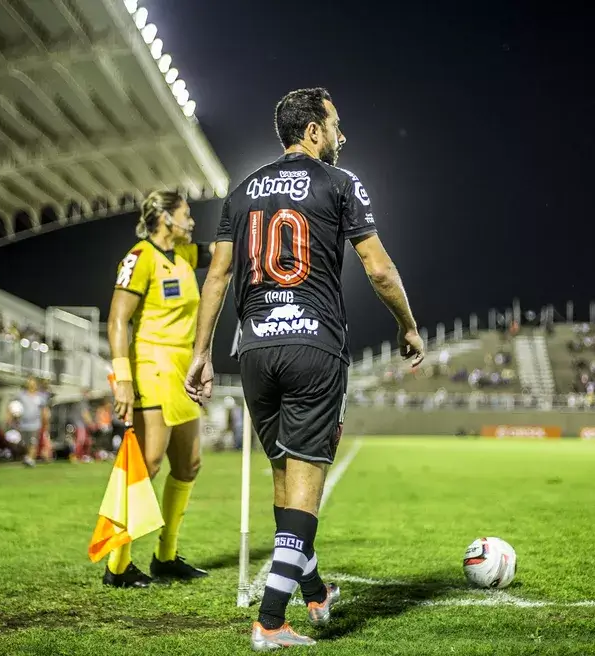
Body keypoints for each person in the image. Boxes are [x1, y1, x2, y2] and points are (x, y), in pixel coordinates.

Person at [185, 87, 424, 650]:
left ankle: (313, 593)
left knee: (282, 478)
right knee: (307, 486)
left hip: (254, 350)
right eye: (336, 125)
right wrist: (408, 326)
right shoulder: (340, 183)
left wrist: (201, 352)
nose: (342, 136)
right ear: (313, 131)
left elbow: (217, 277)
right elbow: (380, 270)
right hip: (313, 348)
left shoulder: (242, 190)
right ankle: (271, 621)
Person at [105, 190, 215, 588]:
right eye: (186, 215)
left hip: (182, 370)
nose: (192, 222)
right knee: (149, 465)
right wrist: (122, 380)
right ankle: (117, 566)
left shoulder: (184, 255)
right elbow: (118, 321)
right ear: (166, 218)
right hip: (151, 366)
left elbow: (227, 251)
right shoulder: (140, 257)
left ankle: (165, 557)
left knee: (188, 465)